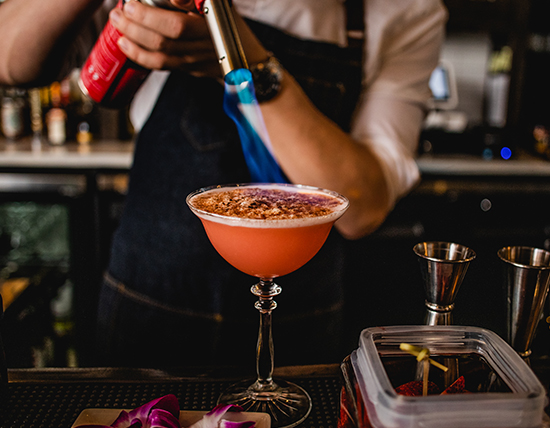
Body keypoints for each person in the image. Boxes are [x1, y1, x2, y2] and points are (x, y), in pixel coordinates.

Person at [0, 0, 448, 368]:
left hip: (300, 320)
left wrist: (246, 62)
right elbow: (10, 60)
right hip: (148, 299)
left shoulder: (406, 10)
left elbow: (363, 207)